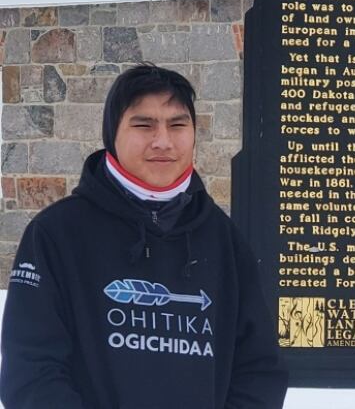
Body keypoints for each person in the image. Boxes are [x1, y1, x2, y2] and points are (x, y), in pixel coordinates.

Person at [0, 64, 288, 408]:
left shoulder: (225, 242)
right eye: (143, 125)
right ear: (112, 134)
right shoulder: (56, 235)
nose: (163, 141)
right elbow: (31, 373)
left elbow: (259, 370)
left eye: (177, 124)